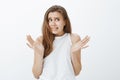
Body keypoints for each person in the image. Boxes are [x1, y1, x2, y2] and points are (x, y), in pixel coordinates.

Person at [26, 5, 90, 80]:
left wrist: (73, 52)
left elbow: (77, 72)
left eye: (57, 19)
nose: (53, 23)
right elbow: (36, 75)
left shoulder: (73, 38)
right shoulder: (41, 40)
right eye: (50, 20)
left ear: (65, 21)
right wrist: (39, 54)